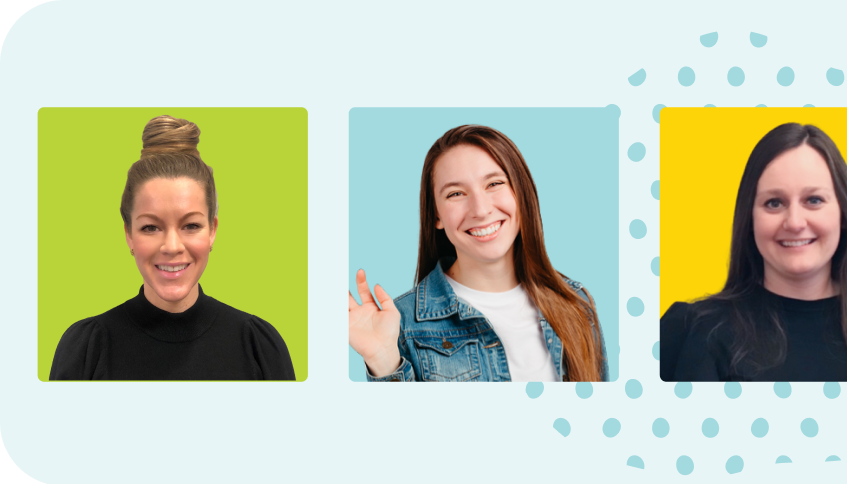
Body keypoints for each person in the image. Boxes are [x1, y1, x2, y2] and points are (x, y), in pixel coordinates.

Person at [661, 123, 847, 382]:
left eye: (813, 200)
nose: (795, 222)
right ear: (750, 219)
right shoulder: (688, 331)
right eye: (774, 203)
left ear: (844, 214)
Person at [348, 125, 607, 382]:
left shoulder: (576, 304)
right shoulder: (400, 325)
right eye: (456, 193)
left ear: (520, 192)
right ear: (436, 215)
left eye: (494, 183)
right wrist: (384, 362)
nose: (481, 210)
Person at [49, 115, 296, 380]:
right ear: (128, 234)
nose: (172, 246)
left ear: (212, 230)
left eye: (190, 225)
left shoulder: (258, 344)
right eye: (150, 227)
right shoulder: (87, 347)